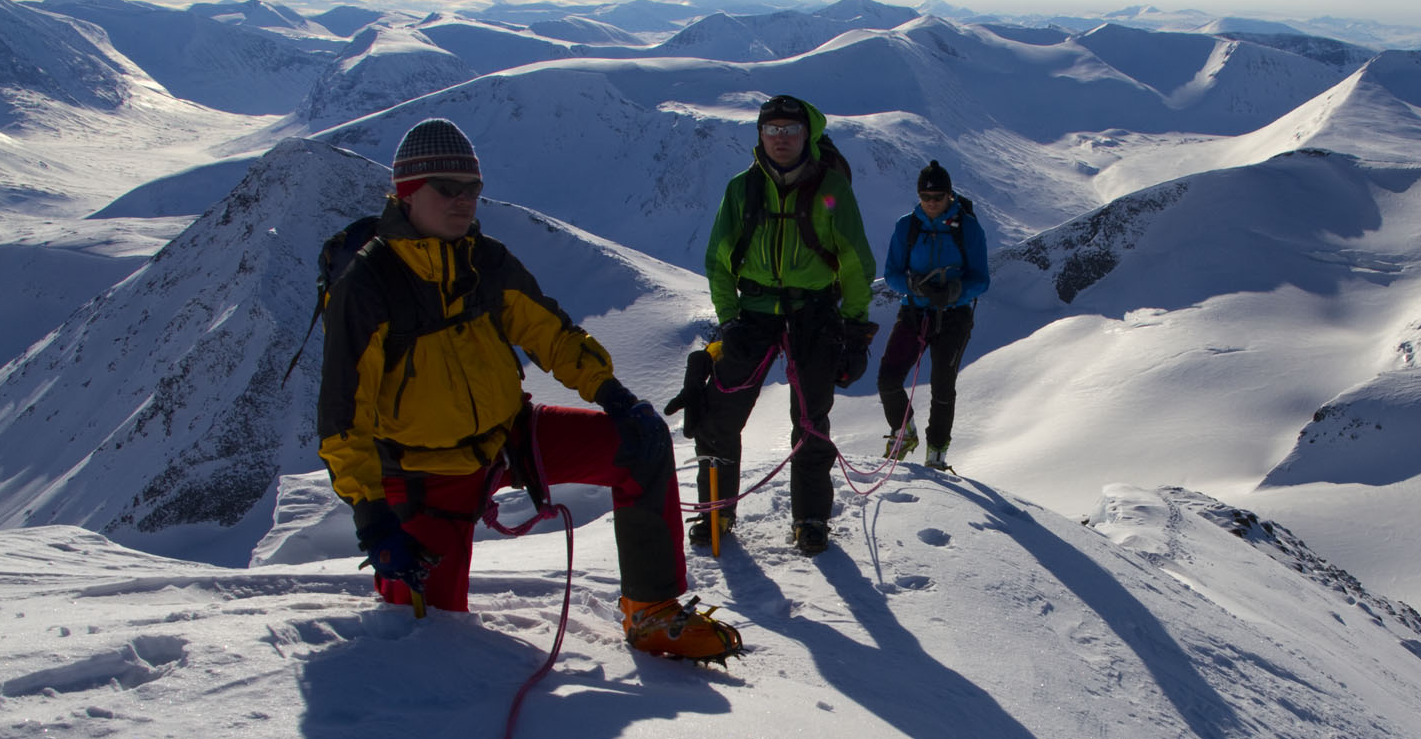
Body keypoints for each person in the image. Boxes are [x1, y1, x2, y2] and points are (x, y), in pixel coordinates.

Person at [316, 118, 741, 661]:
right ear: (406, 193)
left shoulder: (484, 261)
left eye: (472, 188)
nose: (463, 201)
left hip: (507, 440)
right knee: (425, 639)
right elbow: (341, 417)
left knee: (643, 444)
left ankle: (652, 611)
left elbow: (550, 334)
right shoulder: (368, 286)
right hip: (423, 473)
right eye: (446, 188)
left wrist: (611, 394)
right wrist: (372, 519)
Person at [696, 95, 877, 555]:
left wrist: (856, 330)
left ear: (806, 135)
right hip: (753, 312)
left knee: (812, 420)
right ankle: (716, 511)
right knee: (719, 415)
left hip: (813, 311)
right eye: (771, 129)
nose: (780, 138)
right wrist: (729, 319)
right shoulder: (742, 188)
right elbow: (719, 258)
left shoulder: (830, 187)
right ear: (759, 134)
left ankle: (811, 518)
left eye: (789, 130)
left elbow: (855, 261)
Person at [877, 159, 989, 470]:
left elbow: (981, 279)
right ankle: (904, 432)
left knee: (942, 385)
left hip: (953, 316)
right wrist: (913, 286)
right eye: (926, 198)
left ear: (950, 196)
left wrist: (954, 293)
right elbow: (892, 274)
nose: (931, 204)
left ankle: (937, 452)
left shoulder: (968, 227)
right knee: (888, 378)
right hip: (914, 311)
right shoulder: (907, 226)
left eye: (937, 198)